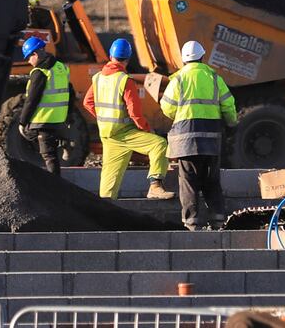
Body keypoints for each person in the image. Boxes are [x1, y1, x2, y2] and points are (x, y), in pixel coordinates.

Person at [159, 39, 238, 231]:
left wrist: (178, 114)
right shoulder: (213, 77)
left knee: (188, 181)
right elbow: (228, 105)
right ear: (202, 57)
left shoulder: (178, 79)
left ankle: (192, 222)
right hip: (211, 139)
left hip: (186, 140)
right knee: (211, 180)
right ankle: (218, 219)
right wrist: (232, 123)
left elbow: (166, 107)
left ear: (184, 60)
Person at [83, 38, 173, 200]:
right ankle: (155, 186)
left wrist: (104, 118)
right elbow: (135, 113)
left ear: (111, 56)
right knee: (159, 145)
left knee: (108, 185)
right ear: (128, 59)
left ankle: (104, 211)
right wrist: (147, 129)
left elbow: (87, 102)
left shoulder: (98, 78)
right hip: (125, 133)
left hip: (108, 136)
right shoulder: (125, 80)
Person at [19, 35, 74, 175]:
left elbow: (31, 100)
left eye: (29, 57)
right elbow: (70, 92)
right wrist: (69, 115)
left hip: (44, 120)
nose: (29, 61)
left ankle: (54, 187)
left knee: (49, 156)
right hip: (59, 119)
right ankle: (65, 140)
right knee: (47, 148)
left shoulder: (39, 73)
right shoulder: (61, 67)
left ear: (35, 54)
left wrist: (22, 121)